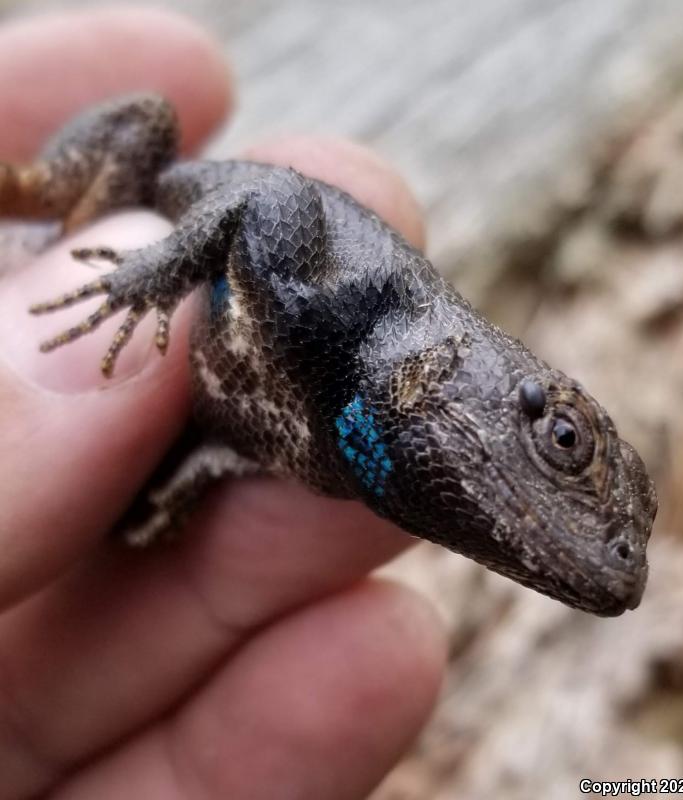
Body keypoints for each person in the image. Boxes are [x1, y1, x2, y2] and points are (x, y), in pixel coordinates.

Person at [0, 8, 445, 798]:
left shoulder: (318, 439)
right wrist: (136, 280)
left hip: (130, 323)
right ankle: (31, 194)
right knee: (150, 119)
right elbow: (252, 205)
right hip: (118, 230)